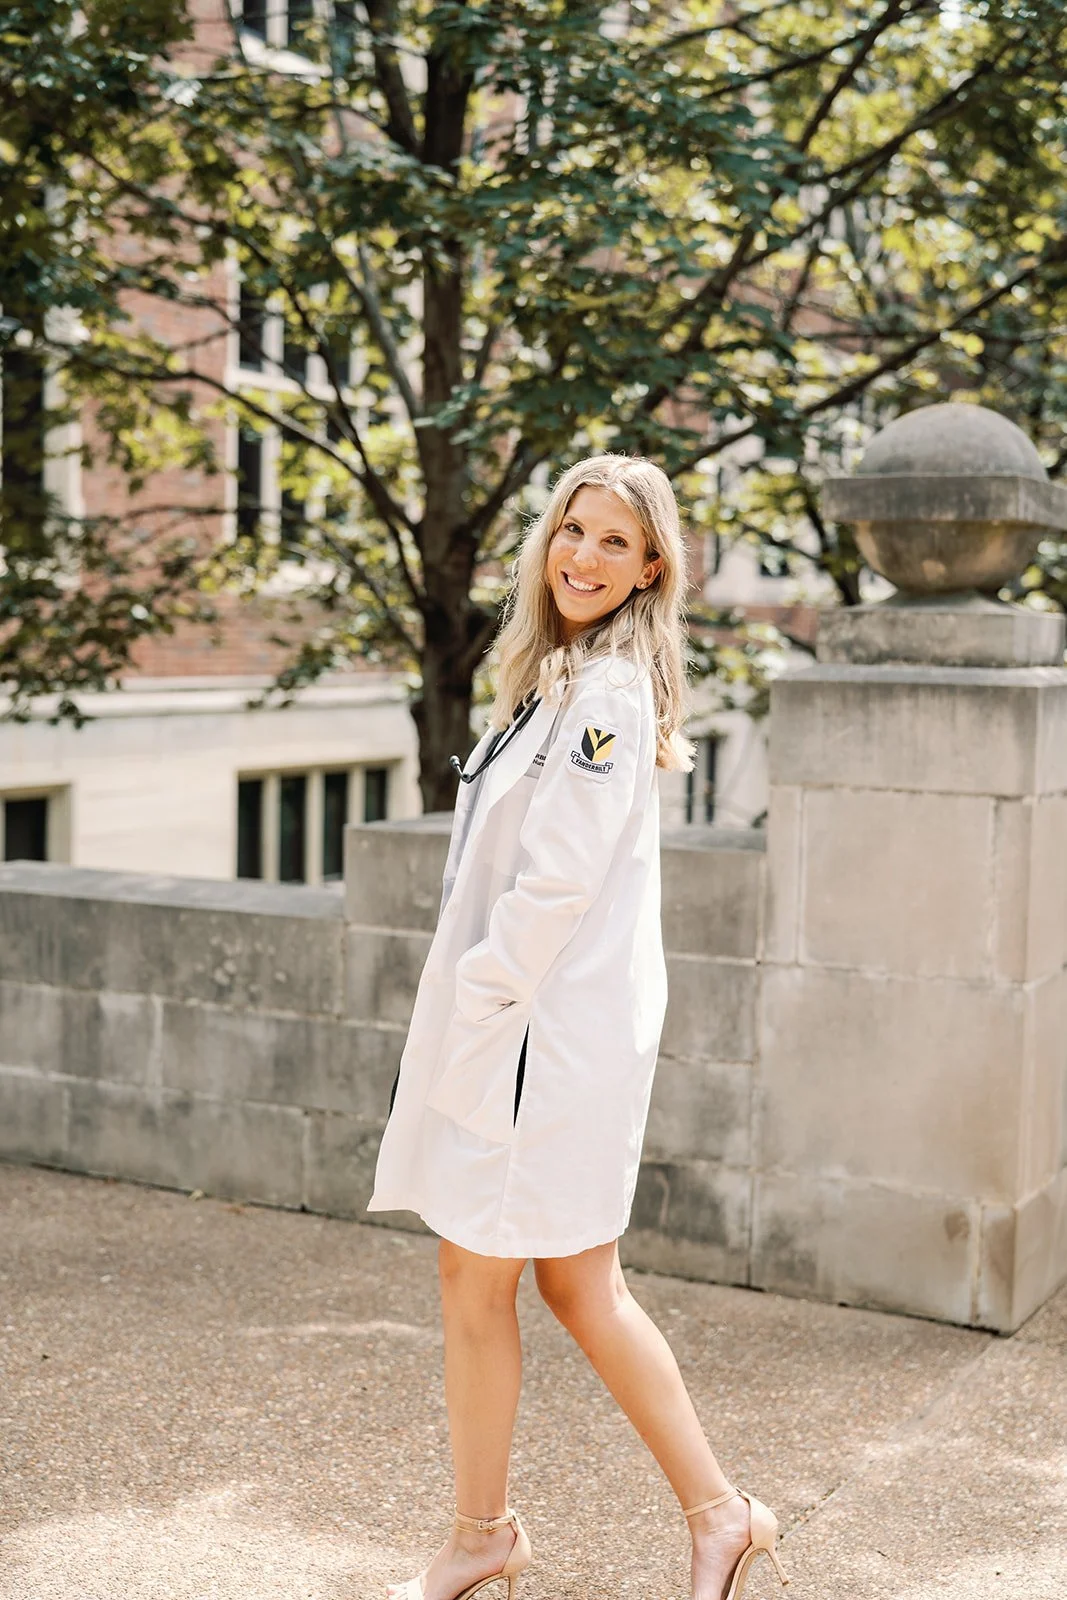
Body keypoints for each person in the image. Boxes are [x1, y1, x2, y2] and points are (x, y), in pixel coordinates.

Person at [367, 455, 788, 1600]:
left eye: (614, 541)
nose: (583, 556)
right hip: (528, 1036)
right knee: (535, 1281)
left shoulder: (601, 694)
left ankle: (505, 1533)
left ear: (652, 566)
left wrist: (474, 1003)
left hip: (535, 1041)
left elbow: (554, 887)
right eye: (571, 530)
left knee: (510, 1280)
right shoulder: (559, 678)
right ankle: (701, 1516)